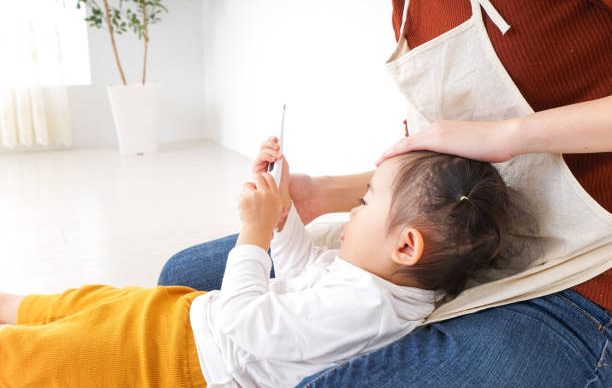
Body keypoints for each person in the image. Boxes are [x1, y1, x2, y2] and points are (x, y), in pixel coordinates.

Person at [158, 0, 612, 387]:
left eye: (364, 203)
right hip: (459, 246)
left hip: (588, 276)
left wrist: (506, 136)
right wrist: (323, 194)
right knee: (184, 276)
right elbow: (426, 182)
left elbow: (247, 321)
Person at [0, 140, 516, 387]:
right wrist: (282, 214)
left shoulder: (367, 308)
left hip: (175, 364)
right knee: (90, 305)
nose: (351, 212)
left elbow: (242, 320)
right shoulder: (386, 282)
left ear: (405, 245)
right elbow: (299, 272)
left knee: (43, 359)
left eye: (363, 203)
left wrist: (251, 231)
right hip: (179, 325)